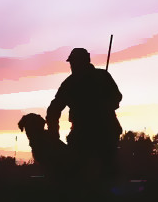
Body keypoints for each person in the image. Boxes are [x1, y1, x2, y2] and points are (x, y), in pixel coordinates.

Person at [46, 48, 123, 179]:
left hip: (97, 134)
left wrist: (53, 134)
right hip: (95, 134)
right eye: (72, 63)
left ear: (83, 61)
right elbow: (54, 109)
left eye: (74, 62)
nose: (72, 66)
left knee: (89, 174)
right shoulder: (99, 77)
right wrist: (53, 133)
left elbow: (116, 98)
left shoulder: (73, 82)